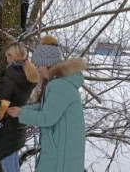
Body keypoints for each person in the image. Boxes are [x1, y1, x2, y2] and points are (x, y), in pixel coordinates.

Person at [7, 35, 86, 172]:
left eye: (38, 65)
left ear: (47, 64)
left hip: (61, 155)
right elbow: (46, 108)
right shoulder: (59, 82)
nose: (36, 69)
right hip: (60, 149)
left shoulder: (59, 85)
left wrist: (22, 113)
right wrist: (22, 110)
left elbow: (47, 118)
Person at [0, 42, 39, 172]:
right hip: (20, 121)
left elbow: (5, 102)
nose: (6, 59)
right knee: (12, 161)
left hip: (9, 123)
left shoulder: (12, 73)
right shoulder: (28, 71)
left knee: (8, 163)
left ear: (13, 56)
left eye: (7, 56)